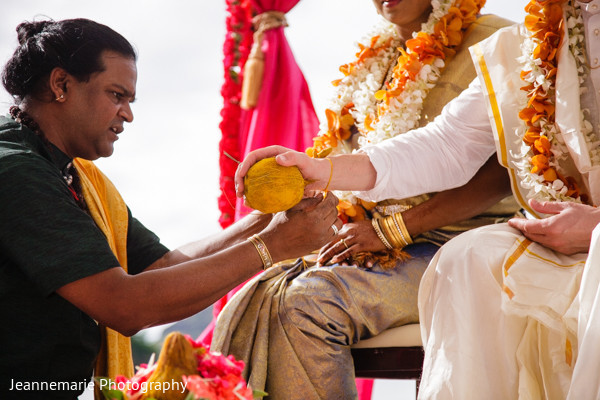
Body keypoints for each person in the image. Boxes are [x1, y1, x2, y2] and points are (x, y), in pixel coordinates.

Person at [234, 0, 600, 398]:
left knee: (315, 300)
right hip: (510, 240)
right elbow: (448, 144)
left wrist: (595, 226)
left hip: (451, 236)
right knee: (259, 298)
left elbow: (502, 168)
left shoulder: (496, 35)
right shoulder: (528, 40)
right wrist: (321, 170)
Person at [0, 18, 341, 400]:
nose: (127, 114)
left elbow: (162, 267)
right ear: (61, 85)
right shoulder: (16, 170)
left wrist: (266, 221)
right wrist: (273, 247)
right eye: (117, 95)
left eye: (130, 100)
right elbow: (125, 306)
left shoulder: (73, 174)